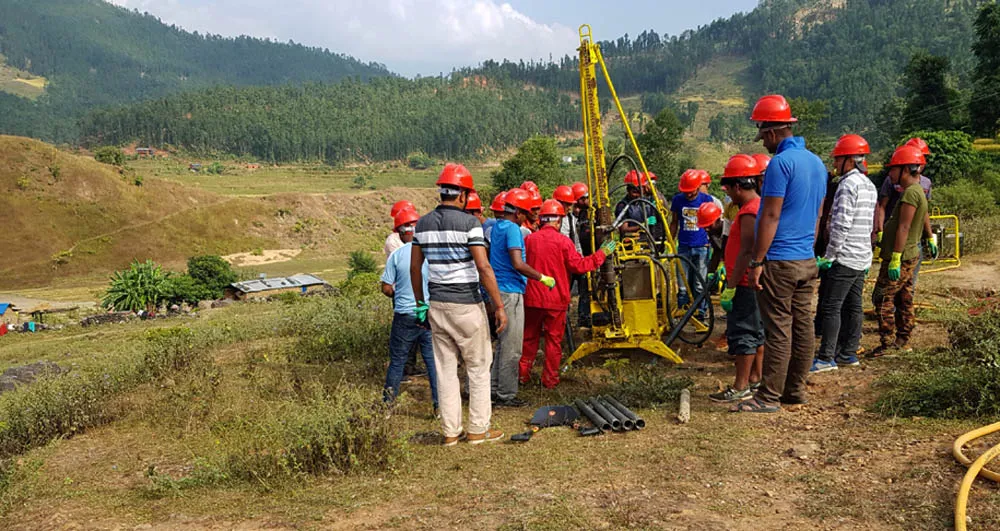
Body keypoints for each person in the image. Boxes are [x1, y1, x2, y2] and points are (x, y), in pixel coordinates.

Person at [736, 94, 826, 414]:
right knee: (803, 325)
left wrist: (758, 261)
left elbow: (771, 216)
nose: (763, 143)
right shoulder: (816, 162)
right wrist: (808, 251)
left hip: (780, 261)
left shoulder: (780, 164)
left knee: (778, 329)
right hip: (805, 259)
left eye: (763, 136)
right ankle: (795, 390)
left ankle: (768, 396)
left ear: (773, 132)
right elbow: (817, 215)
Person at [411, 163, 508, 445]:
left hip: (437, 305)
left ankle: (450, 433)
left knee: (446, 369)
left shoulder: (423, 224)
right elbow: (483, 267)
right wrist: (499, 306)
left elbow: (415, 268)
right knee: (477, 366)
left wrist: (421, 304)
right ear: (463, 195)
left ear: (442, 192)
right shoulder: (470, 224)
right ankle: (478, 429)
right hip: (466, 304)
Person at [520, 200, 614, 389]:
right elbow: (579, 266)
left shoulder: (529, 239)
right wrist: (602, 254)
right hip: (556, 300)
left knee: (529, 338)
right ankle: (550, 380)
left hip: (532, 298)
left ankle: (522, 376)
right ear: (558, 221)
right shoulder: (564, 242)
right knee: (553, 341)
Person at [811, 135, 878, 373]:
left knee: (831, 306)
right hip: (861, 256)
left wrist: (829, 256)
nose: (836, 165)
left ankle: (826, 357)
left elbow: (841, 224)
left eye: (838, 160)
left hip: (845, 256)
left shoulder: (847, 185)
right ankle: (848, 353)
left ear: (849, 160)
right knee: (854, 306)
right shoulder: (869, 185)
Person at [489, 189, 554, 407]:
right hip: (510, 291)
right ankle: (506, 395)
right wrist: (541, 277)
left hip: (498, 289)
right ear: (517, 212)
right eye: (525, 213)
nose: (527, 218)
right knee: (513, 347)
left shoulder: (496, 226)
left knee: (502, 343)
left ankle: (494, 388)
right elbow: (517, 263)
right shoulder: (513, 230)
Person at [871, 145, 935, 357]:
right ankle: (903, 339)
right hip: (910, 254)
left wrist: (895, 257)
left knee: (882, 297)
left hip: (902, 255)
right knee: (904, 297)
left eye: (893, 169)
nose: (890, 174)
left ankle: (888, 342)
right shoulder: (918, 191)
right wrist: (929, 237)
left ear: (905, 170)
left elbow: (904, 227)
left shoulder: (910, 194)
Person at [711, 154, 765, 402]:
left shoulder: (750, 211)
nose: (728, 195)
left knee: (744, 333)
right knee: (756, 331)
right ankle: (755, 379)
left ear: (738, 185)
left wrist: (731, 286)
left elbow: (747, 250)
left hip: (744, 283)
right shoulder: (755, 207)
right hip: (747, 281)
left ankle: (741, 385)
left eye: (729, 189)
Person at [382, 208, 438, 412]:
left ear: (401, 232)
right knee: (432, 362)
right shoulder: (431, 253)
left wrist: (398, 296)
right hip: (427, 313)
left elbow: (387, 287)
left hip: (404, 315)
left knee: (397, 362)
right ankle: (438, 406)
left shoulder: (396, 255)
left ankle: (387, 406)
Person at [670, 169, 715, 318]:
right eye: (685, 191)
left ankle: (701, 312)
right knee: (682, 284)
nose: (688, 194)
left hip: (701, 246)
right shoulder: (678, 200)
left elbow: (713, 223)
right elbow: (674, 222)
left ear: (697, 187)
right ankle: (683, 312)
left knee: (699, 283)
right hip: (683, 246)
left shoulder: (706, 200)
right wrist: (670, 241)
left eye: (691, 191)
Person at [572, 182, 595, 328]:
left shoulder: (591, 212)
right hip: (573, 258)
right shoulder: (570, 217)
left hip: (586, 257)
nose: (588, 200)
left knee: (586, 288)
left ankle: (585, 318)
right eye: (584, 198)